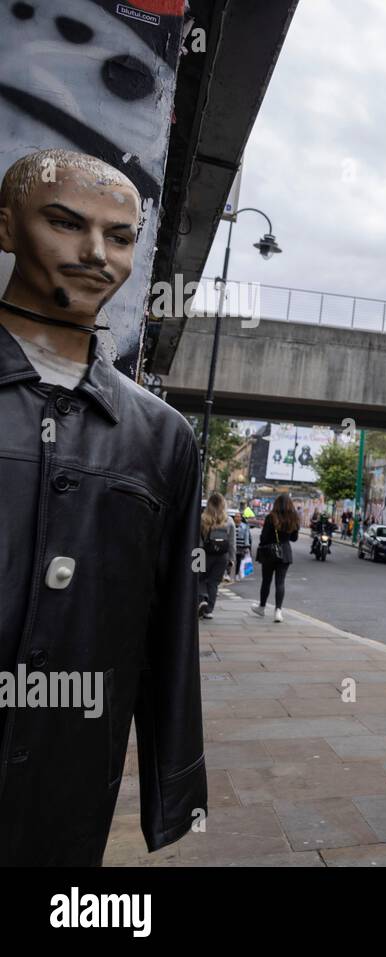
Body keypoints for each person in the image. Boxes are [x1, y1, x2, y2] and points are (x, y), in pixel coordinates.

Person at [0, 148, 206, 864]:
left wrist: (173, 786)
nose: (96, 254)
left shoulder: (163, 436)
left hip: (68, 790)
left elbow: (169, 627)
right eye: (64, 223)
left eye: (119, 237)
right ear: (6, 228)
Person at [253, 492, 299, 623]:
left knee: (266, 581)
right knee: (280, 582)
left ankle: (262, 607)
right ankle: (278, 611)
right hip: (285, 552)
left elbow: (264, 537)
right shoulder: (294, 518)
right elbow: (294, 538)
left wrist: (262, 547)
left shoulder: (271, 517)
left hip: (270, 552)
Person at [198, 492, 234, 618]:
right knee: (214, 583)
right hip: (222, 556)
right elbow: (231, 543)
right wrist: (231, 560)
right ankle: (209, 611)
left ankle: (202, 599)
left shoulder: (202, 518)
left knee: (198, 579)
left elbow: (198, 540)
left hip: (203, 553)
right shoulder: (229, 520)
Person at [234, 513, 252, 579]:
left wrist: (246, 546)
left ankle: (236, 574)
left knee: (239, 560)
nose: (237, 518)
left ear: (241, 518)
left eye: (239, 517)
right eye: (236, 516)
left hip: (240, 546)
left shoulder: (245, 526)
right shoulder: (231, 525)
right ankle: (228, 573)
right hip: (232, 546)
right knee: (230, 560)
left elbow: (247, 537)